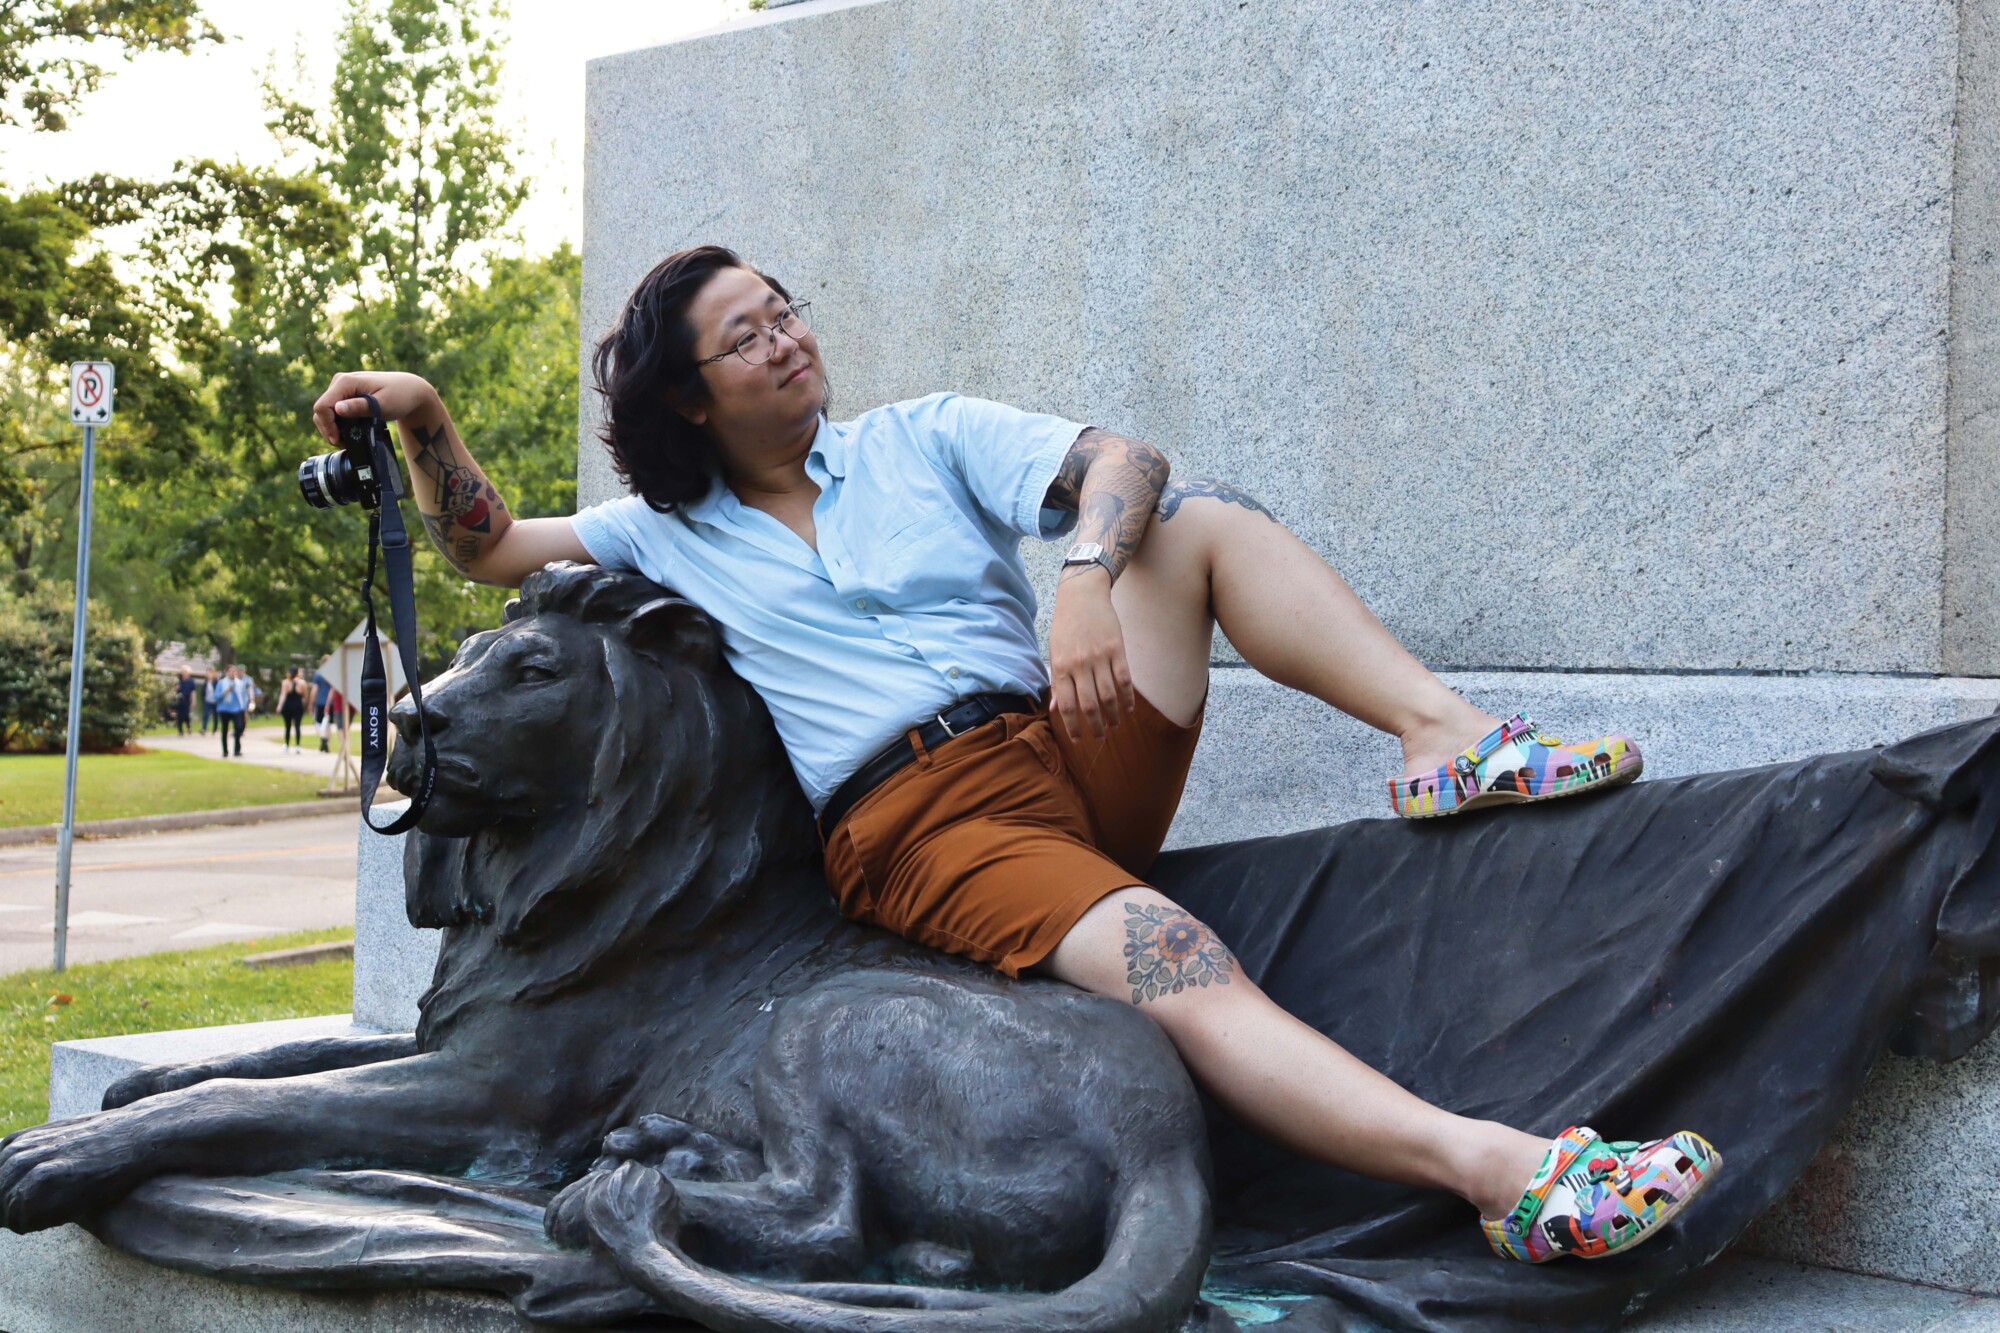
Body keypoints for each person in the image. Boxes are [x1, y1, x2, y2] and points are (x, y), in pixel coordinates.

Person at [309, 246, 1715, 1267]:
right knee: (1183, 964)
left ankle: (1444, 739)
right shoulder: (664, 533)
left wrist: (1088, 571)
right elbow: (485, 546)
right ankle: (1505, 1175)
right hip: (926, 828)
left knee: (1196, 522)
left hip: (1061, 740)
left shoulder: (925, 439)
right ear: (688, 397)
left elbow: (1126, 460)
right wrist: (425, 414)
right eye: (746, 339)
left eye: (787, 309)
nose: (788, 340)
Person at [210, 664, 251, 758]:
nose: (232, 673)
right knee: (224, 730)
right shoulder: (221, 683)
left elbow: (244, 697)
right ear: (226, 672)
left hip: (236, 709)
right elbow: (216, 697)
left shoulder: (239, 683)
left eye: (234, 671)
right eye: (230, 671)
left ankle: (237, 749)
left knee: (238, 728)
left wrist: (245, 710)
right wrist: (226, 691)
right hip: (224, 709)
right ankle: (225, 750)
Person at [278, 666, 309, 754]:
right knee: (297, 726)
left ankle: (287, 745)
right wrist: (303, 703)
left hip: (288, 706)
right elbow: (305, 696)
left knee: (287, 727)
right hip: (297, 706)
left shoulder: (285, 682)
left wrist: (279, 706)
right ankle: (297, 746)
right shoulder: (302, 683)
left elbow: (283, 695)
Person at [173, 668, 200, 736]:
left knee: (186, 715)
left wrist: (194, 700)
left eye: (185, 672)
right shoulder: (179, 681)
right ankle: (180, 730)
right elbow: (175, 690)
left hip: (187, 700)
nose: (184, 674)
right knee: (179, 715)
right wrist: (176, 688)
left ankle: (189, 727)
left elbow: (193, 692)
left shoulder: (191, 681)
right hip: (179, 699)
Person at [312, 671, 334, 752]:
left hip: (320, 702)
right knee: (327, 724)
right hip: (331, 703)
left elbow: (314, 690)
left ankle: (323, 740)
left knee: (318, 723)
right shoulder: (332, 674)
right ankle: (325, 742)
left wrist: (311, 702)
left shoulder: (318, 674)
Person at [198, 667, 220, 735]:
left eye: (210, 673)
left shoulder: (216, 682)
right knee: (206, 714)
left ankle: (215, 729)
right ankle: (204, 728)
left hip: (215, 701)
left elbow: (218, 691)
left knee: (215, 715)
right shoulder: (205, 682)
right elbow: (203, 692)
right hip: (207, 701)